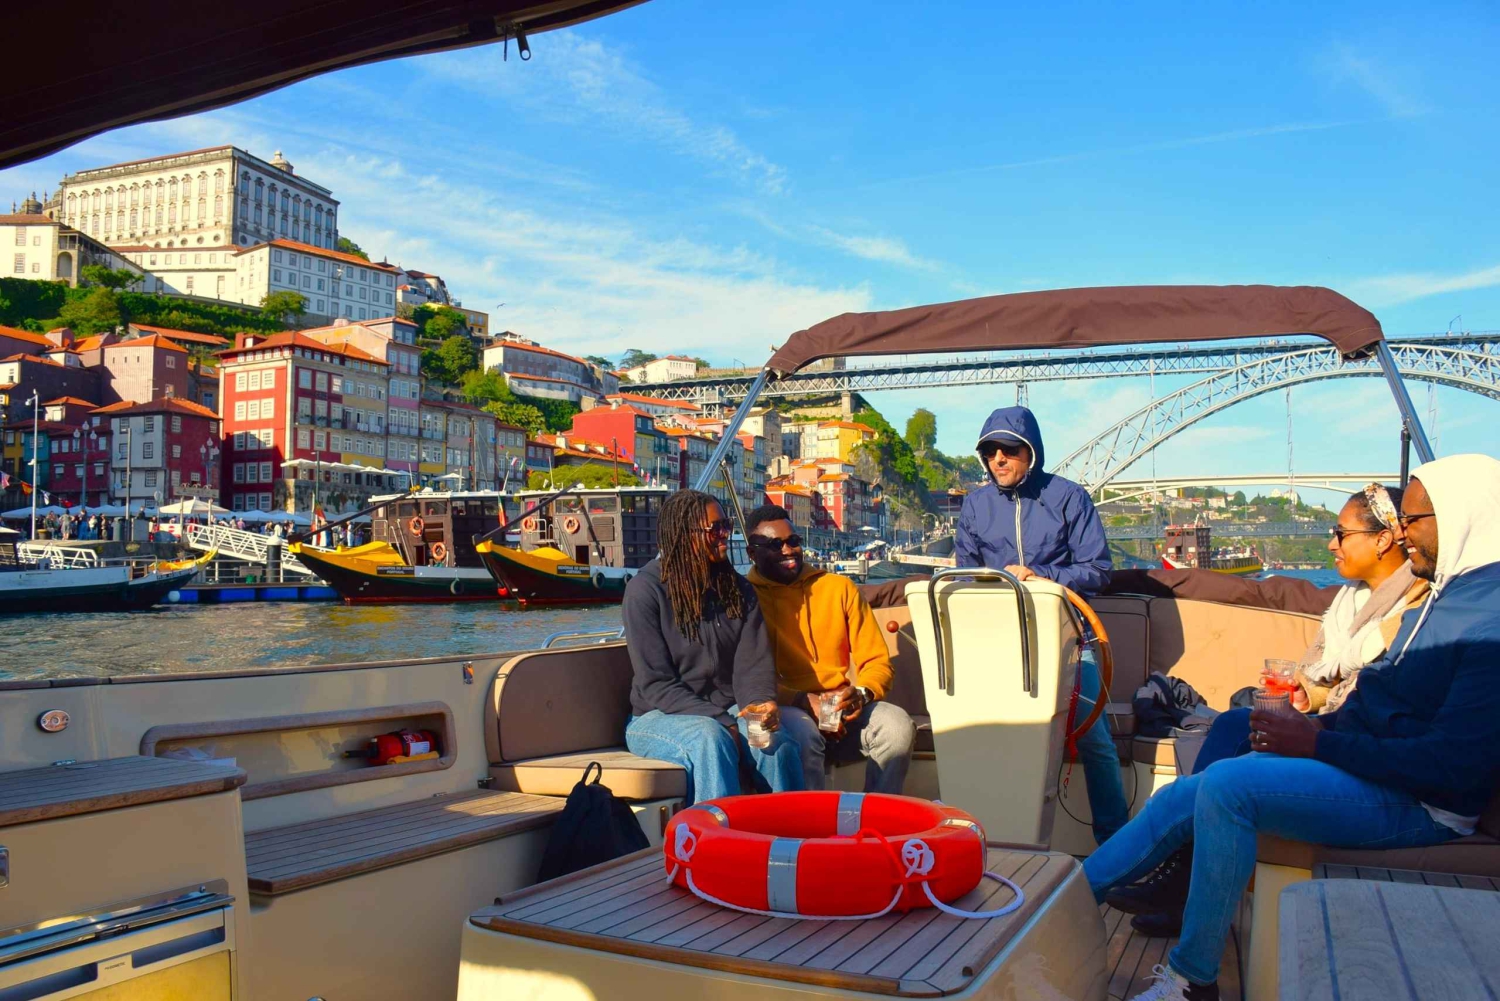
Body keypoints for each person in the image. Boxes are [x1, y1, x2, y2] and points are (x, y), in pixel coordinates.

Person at [1084, 454, 1500, 1001]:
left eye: (1414, 520)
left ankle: (1192, 980)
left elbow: (1453, 768)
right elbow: (1389, 704)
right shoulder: (1449, 598)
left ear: (1466, 518)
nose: (1404, 533)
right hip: (1381, 771)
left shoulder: (1487, 618)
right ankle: (1062, 897)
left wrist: (1318, 742)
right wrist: (1317, 727)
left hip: (1423, 805)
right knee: (1188, 792)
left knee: (1230, 788)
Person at [1112, 483, 1430, 937]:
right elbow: (1326, 678)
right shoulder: (1350, 601)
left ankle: (1160, 882)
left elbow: (1374, 690)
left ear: (1383, 539)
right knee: (1231, 723)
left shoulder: (1416, 606)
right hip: (1336, 718)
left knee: (1229, 750)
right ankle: (1181, 880)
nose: (1331, 544)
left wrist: (1315, 709)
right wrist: (1305, 695)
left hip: (1361, 736)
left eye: (1341, 533)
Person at [955, 405, 1126, 844]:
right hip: (998, 645)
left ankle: (1119, 846)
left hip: (1070, 640)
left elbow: (1098, 569)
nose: (998, 459)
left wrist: (1045, 578)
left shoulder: (1069, 497)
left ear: (1031, 453)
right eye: (989, 450)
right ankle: (990, 837)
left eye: (1009, 449)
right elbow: (964, 575)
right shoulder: (974, 506)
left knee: (1095, 740)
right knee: (984, 734)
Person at [621, 489, 802, 806]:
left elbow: (753, 664)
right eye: (715, 528)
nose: (725, 535)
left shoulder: (737, 588)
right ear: (683, 534)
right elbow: (656, 684)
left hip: (725, 710)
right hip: (656, 716)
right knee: (710, 739)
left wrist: (761, 703)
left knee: (775, 742)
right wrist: (725, 722)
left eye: (726, 525)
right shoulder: (645, 590)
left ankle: (791, 835)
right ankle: (716, 845)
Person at [744, 503, 917, 794]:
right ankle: (812, 831)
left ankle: (874, 823)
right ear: (752, 553)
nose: (788, 550)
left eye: (793, 541)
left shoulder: (839, 589)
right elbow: (742, 675)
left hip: (839, 705)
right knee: (803, 734)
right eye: (775, 544)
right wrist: (802, 700)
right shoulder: (744, 597)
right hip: (782, 706)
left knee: (897, 726)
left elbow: (876, 661)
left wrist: (861, 695)